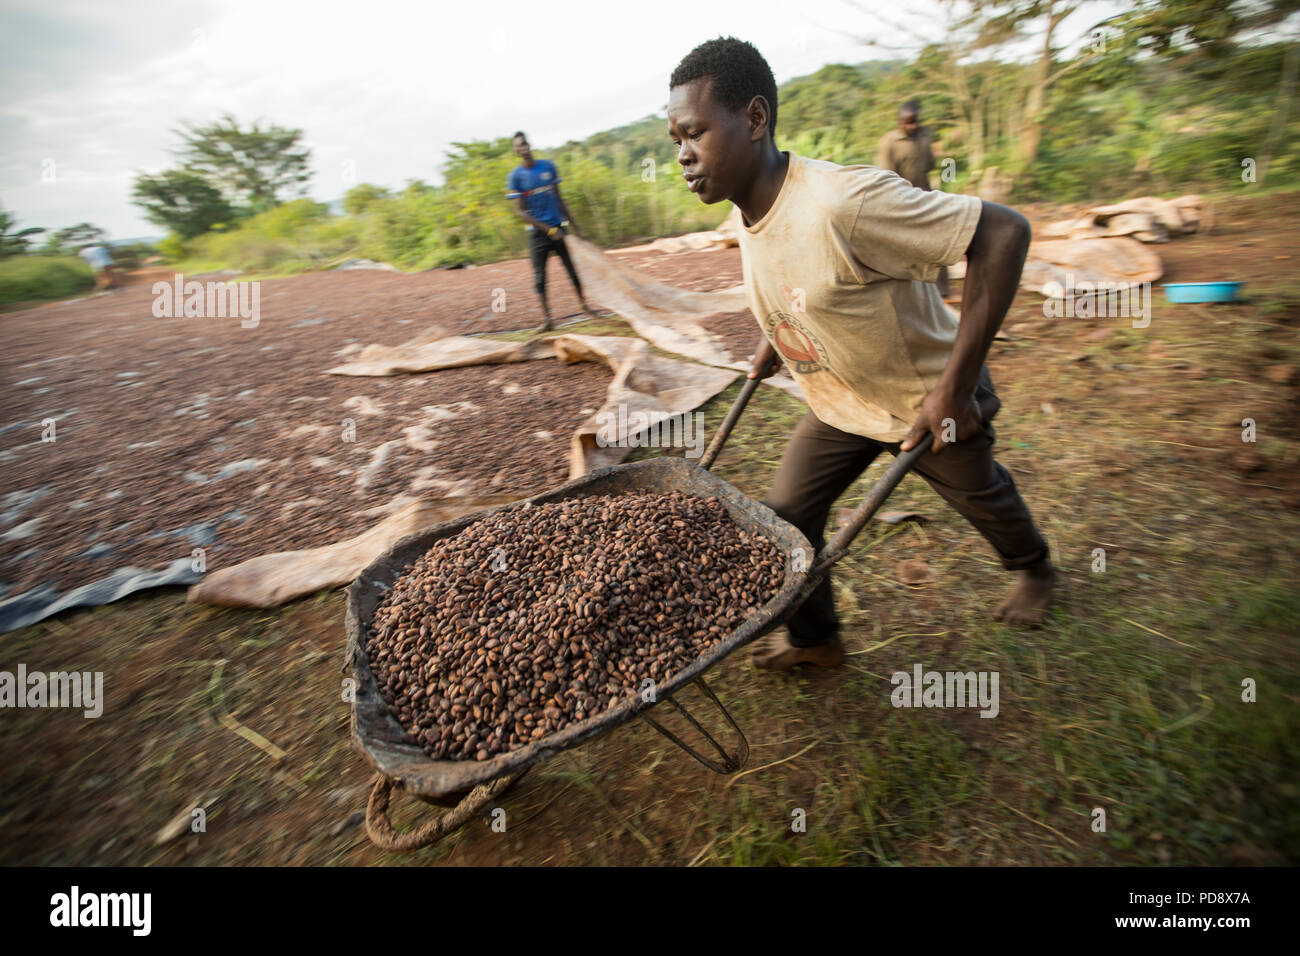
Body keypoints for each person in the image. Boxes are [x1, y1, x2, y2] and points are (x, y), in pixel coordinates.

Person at [667, 37, 1054, 671]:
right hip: (842, 398)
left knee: (981, 494)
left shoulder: (841, 202)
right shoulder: (748, 205)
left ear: (756, 119)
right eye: (675, 141)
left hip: (926, 397)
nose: (683, 155)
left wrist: (953, 392)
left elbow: (1005, 233)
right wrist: (780, 330)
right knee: (787, 517)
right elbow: (805, 276)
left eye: (694, 134)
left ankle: (1034, 569)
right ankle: (817, 641)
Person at [506, 132, 599, 331]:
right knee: (540, 276)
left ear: (529, 145)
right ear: (516, 151)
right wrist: (548, 230)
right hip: (538, 234)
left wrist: (575, 226)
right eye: (518, 146)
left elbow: (560, 199)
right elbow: (521, 213)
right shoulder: (515, 177)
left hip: (559, 229)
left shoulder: (548, 167)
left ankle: (585, 306)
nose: (523, 148)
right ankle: (547, 320)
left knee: (572, 270)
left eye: (525, 143)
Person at [877, 100, 951, 298]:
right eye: (907, 123)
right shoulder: (889, 143)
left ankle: (942, 289)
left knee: (938, 242)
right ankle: (909, 292)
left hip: (926, 197)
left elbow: (930, 166)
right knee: (904, 248)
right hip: (902, 202)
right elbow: (887, 178)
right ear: (899, 122)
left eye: (914, 122)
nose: (911, 126)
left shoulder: (925, 137)